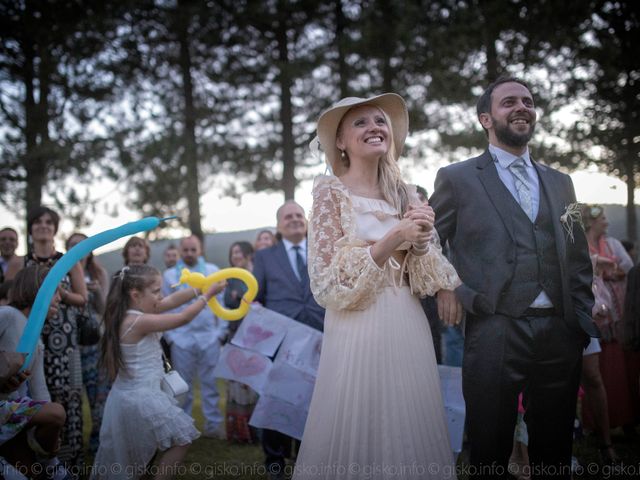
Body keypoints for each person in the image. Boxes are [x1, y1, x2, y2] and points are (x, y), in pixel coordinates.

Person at [429, 77, 598, 479]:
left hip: (560, 328)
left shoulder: (561, 181)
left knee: (555, 446)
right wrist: (450, 287)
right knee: (489, 444)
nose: (521, 107)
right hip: (494, 325)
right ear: (486, 118)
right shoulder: (457, 177)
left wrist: (581, 315)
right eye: (509, 102)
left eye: (528, 100)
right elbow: (428, 243)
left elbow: (576, 252)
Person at [293, 94, 461, 480]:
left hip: (406, 319)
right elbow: (327, 280)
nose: (374, 128)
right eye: (361, 123)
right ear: (340, 142)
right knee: (361, 411)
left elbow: (424, 271)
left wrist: (419, 238)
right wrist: (391, 239)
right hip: (357, 322)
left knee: (408, 411)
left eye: (380, 121)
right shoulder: (329, 193)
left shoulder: (406, 194)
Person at [92, 264, 225, 479]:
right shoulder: (136, 320)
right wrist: (207, 296)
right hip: (139, 397)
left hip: (136, 394)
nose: (160, 296)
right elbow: (181, 318)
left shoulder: (136, 311)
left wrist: (200, 288)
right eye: (155, 291)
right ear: (135, 295)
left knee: (141, 456)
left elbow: (171, 301)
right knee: (182, 438)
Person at [5, 206, 88, 468]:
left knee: (64, 397)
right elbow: (9, 296)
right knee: (27, 390)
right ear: (30, 228)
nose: (43, 226)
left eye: (49, 222)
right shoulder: (19, 266)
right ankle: (27, 454)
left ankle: (62, 460)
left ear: (55, 227)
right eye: (38, 221)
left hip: (62, 337)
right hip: (29, 331)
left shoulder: (69, 260)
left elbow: (83, 298)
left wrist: (58, 293)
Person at [253, 201, 325, 479]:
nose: (295, 220)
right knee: (276, 400)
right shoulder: (265, 256)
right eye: (288, 217)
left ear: (306, 221)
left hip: (321, 334)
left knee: (316, 401)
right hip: (282, 339)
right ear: (279, 225)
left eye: (299, 215)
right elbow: (256, 294)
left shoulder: (322, 249)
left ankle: (311, 459)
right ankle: (275, 463)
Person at [1, 265, 70, 480]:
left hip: (15, 416)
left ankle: (49, 462)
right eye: (55, 291)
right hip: (5, 410)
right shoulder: (7, 315)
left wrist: (51, 430)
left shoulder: (37, 340)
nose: (60, 298)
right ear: (38, 289)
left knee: (55, 414)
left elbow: (40, 391)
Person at [580, 204, 639, 437]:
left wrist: (606, 271)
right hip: (593, 315)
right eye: (603, 217)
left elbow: (628, 268)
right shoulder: (581, 244)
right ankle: (597, 423)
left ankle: (626, 418)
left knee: (619, 368)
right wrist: (606, 270)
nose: (606, 221)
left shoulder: (612, 244)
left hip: (615, 316)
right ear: (592, 221)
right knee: (596, 372)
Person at [161, 235, 227, 438]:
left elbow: (221, 304)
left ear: (200, 250)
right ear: (181, 251)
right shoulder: (171, 275)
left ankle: (214, 425)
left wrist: (220, 332)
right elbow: (166, 307)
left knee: (210, 384)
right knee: (183, 386)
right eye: (186, 250)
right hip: (182, 337)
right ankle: (184, 428)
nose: (189, 253)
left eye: (193, 249)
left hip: (209, 337)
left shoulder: (213, 271)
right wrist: (171, 336)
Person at [66, 232, 111, 455]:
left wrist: (97, 292)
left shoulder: (98, 272)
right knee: (73, 395)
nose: (78, 248)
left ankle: (97, 446)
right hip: (70, 343)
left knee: (98, 397)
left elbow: (105, 310)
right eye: (73, 245)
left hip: (95, 343)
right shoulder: (62, 271)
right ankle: (72, 446)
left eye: (83, 244)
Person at [223, 241, 259, 443]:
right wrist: (239, 299)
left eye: (238, 252)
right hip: (237, 334)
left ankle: (259, 431)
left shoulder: (258, 272)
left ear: (247, 253)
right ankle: (241, 433)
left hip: (258, 335)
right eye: (232, 252)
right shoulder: (230, 276)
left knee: (257, 382)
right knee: (238, 382)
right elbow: (229, 301)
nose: (235, 255)